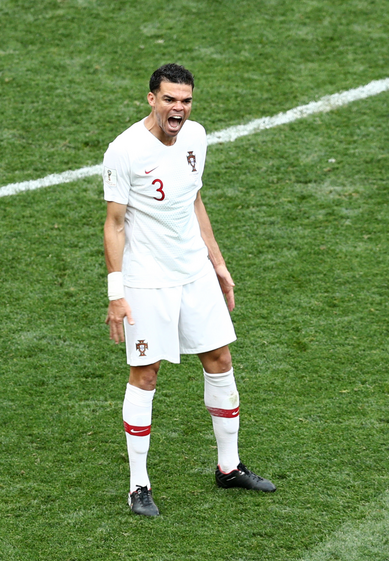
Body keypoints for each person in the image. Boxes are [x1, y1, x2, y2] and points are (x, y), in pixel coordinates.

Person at [102, 63, 275, 517]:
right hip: (147, 280)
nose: (178, 108)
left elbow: (194, 201)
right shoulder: (125, 150)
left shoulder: (197, 136)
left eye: (185, 100)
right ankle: (138, 486)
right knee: (147, 374)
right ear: (151, 99)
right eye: (169, 99)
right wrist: (115, 292)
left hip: (193, 271)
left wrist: (218, 264)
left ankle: (228, 466)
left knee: (219, 360)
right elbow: (114, 223)